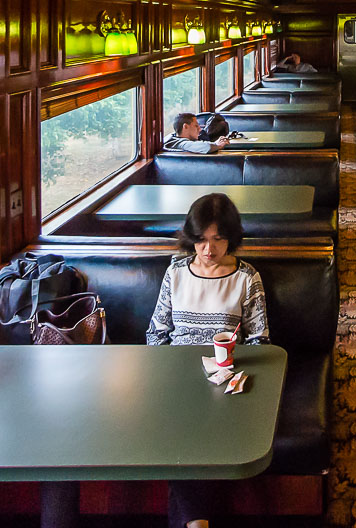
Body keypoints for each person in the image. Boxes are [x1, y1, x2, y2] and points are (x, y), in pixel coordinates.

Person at [147, 194, 270, 528]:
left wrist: (237, 372)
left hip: (225, 379)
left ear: (232, 238)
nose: (208, 249)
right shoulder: (175, 274)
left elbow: (259, 340)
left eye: (218, 240)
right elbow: (156, 333)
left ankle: (195, 521)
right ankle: (197, 521)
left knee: (200, 429)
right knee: (182, 424)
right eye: (201, 240)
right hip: (177, 377)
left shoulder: (247, 278)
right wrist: (164, 371)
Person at [164, 112, 230, 153]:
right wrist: (217, 145)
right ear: (186, 127)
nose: (200, 129)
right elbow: (207, 147)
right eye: (196, 126)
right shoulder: (179, 143)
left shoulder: (175, 137)